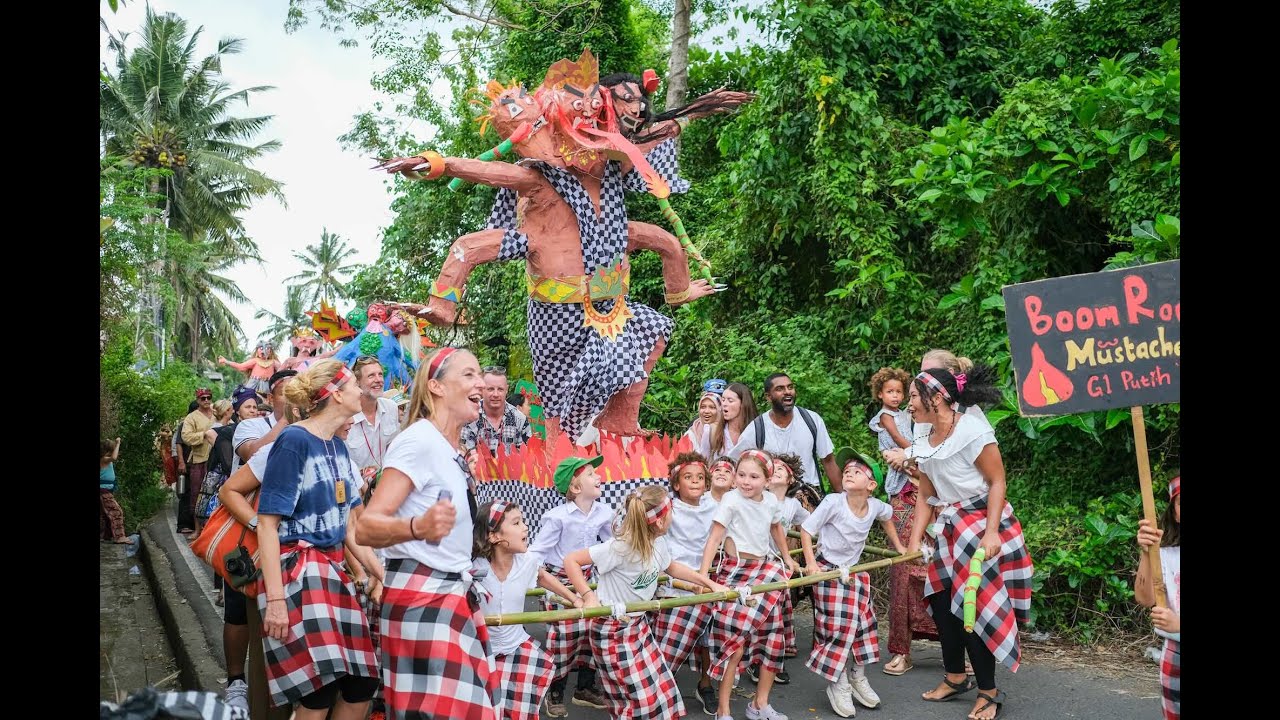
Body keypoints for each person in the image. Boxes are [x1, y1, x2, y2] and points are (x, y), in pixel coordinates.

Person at [355, 347, 503, 719]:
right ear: (436, 386)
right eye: (469, 374)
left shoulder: (448, 448)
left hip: (450, 593)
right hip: (423, 597)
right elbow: (367, 527)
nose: (482, 382)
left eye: (480, 374)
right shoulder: (418, 441)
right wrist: (418, 527)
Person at [901, 367, 1031, 720]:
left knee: (972, 608)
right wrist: (914, 541)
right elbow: (926, 492)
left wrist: (991, 533)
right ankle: (956, 677)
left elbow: (997, 481)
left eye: (913, 396)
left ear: (937, 398)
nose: (908, 404)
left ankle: (989, 692)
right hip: (950, 525)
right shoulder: (923, 433)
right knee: (942, 603)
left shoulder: (972, 430)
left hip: (983, 524)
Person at [255, 360, 380, 717]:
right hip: (299, 574)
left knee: (361, 684)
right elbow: (267, 525)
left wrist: (382, 576)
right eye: (353, 385)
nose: (361, 390)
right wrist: (276, 600)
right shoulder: (294, 440)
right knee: (318, 691)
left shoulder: (338, 448)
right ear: (336, 394)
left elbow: (350, 527)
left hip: (332, 571)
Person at [564, 485, 727, 720]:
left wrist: (708, 583)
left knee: (663, 690)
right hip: (612, 630)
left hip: (638, 627)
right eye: (670, 511)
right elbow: (571, 560)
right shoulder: (621, 546)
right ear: (659, 521)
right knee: (639, 700)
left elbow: (672, 567)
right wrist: (588, 595)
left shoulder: (658, 542)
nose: (673, 515)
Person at [800, 449, 903, 717]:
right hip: (827, 570)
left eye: (857, 471)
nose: (848, 473)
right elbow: (807, 530)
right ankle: (839, 681)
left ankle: (858, 676)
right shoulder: (833, 502)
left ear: (871, 485)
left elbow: (887, 517)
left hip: (854, 572)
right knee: (837, 627)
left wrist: (899, 546)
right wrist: (811, 564)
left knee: (864, 624)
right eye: (847, 470)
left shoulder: (875, 506)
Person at [700, 449, 799, 720]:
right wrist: (704, 577)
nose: (746, 481)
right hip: (735, 572)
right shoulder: (731, 500)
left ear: (767, 480)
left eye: (754, 477)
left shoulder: (770, 501)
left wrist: (787, 557)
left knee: (772, 637)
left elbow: (776, 528)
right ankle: (723, 709)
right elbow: (714, 538)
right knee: (736, 642)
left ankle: (760, 704)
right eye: (741, 475)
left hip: (765, 571)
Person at [473, 500, 582, 720]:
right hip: (480, 652)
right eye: (516, 523)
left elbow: (542, 576)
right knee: (483, 711)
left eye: (523, 521)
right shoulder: (474, 567)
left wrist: (576, 599)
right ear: (494, 536)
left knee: (517, 712)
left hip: (516, 649)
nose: (525, 527)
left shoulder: (527, 561)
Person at [526, 456, 613, 716]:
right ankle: (554, 690)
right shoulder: (557, 517)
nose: (599, 477)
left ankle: (584, 688)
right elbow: (537, 551)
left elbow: (613, 544)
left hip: (589, 577)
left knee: (593, 632)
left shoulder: (604, 512)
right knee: (565, 638)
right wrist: (529, 575)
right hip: (560, 580)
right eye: (591, 474)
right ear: (575, 488)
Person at [866, 366, 935, 675]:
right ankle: (901, 649)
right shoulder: (888, 418)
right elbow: (898, 443)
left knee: (943, 571)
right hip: (905, 495)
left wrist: (916, 458)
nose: (899, 398)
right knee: (904, 568)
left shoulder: (943, 420)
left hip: (937, 497)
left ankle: (957, 650)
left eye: (902, 393)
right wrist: (913, 456)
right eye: (891, 392)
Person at [652, 452, 721, 715]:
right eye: (688, 477)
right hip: (675, 581)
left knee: (710, 637)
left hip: (708, 578)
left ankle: (705, 683)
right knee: (670, 640)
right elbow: (659, 544)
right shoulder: (668, 509)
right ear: (676, 483)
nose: (694, 481)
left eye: (700, 477)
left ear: (706, 483)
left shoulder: (715, 507)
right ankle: (658, 686)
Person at [731, 374, 840, 493]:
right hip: (772, 494)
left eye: (790, 387)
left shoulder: (812, 420)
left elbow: (828, 460)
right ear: (768, 397)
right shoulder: (757, 428)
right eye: (780, 389)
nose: (787, 392)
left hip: (809, 493)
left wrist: (843, 498)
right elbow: (734, 462)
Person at [1135, 476, 1179, 720]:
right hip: (1175, 654)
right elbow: (1144, 599)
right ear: (1174, 512)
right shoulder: (1167, 556)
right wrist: (1146, 552)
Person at [346, 355, 402, 498]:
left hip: (386, 489)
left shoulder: (391, 408)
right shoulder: (346, 415)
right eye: (371, 376)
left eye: (380, 374)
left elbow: (395, 450)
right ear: (357, 382)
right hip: (355, 494)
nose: (378, 380)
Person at [461, 366, 532, 457]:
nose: (495, 394)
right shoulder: (469, 417)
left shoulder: (520, 419)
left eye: (500, 389)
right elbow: (464, 456)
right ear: (482, 389)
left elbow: (527, 457)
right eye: (490, 389)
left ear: (506, 390)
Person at [181, 388, 219, 534]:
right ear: (197, 400)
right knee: (197, 494)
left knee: (216, 494)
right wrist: (204, 434)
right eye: (203, 398)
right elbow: (186, 437)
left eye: (209, 397)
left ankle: (213, 529)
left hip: (219, 460)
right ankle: (197, 530)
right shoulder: (191, 417)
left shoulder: (217, 412)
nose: (206, 400)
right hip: (200, 460)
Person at [709, 383, 758, 460]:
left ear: (743, 404)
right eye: (723, 400)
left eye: (730, 401)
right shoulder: (713, 431)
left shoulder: (756, 431)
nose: (724, 404)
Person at [100, 437, 134, 545]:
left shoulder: (106, 459)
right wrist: (118, 443)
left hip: (106, 490)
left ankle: (107, 536)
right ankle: (119, 537)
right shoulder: (103, 459)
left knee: (106, 515)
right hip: (103, 491)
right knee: (116, 512)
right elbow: (114, 457)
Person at [685, 381, 725, 458]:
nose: (706, 411)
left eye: (712, 407)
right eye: (703, 407)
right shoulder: (691, 433)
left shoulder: (728, 430)